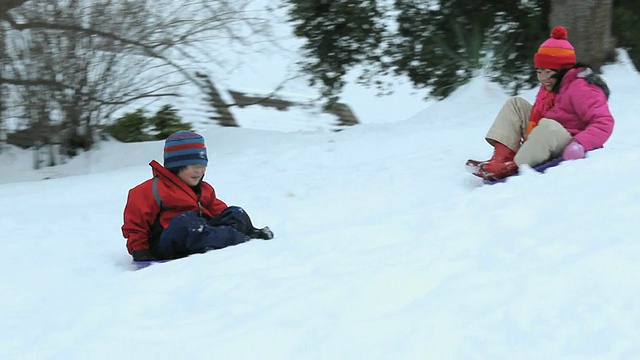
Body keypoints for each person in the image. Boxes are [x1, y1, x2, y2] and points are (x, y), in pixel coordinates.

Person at [466, 26, 614, 181]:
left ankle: (514, 165)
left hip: (569, 142)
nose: (542, 78)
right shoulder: (552, 86)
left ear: (563, 70)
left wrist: (579, 144)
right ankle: (500, 160)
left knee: (549, 126)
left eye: (548, 72)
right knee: (515, 104)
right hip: (546, 138)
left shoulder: (582, 87)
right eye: (539, 71)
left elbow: (604, 122)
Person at [122, 130, 273, 261]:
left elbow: (218, 210)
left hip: (202, 233)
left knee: (235, 212)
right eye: (194, 167)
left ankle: (247, 233)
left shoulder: (204, 189)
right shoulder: (150, 190)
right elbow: (135, 225)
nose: (199, 172)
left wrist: (232, 220)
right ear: (176, 166)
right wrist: (139, 250)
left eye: (202, 166)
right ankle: (238, 240)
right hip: (168, 244)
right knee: (186, 221)